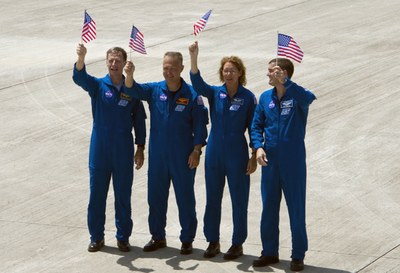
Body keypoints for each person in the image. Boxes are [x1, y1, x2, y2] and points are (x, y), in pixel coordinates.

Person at [123, 51, 208, 255]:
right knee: (156, 198)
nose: (168, 72)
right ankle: (157, 236)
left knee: (185, 198)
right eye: (165, 68)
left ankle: (187, 239)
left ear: (181, 68)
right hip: (159, 157)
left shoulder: (192, 96)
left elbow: (201, 127)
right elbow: (133, 89)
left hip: (183, 157)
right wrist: (129, 74)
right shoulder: (154, 90)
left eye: (172, 68)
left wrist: (197, 150)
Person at [72, 44, 147, 253]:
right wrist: (81, 57)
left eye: (118, 61)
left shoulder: (131, 90)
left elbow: (139, 121)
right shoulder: (98, 86)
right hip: (100, 150)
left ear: (124, 64)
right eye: (111, 60)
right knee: (97, 195)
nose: (114, 64)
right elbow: (80, 78)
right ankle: (96, 237)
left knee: (123, 195)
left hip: (123, 150)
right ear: (106, 63)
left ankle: (123, 237)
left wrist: (140, 147)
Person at [188, 41, 257, 260]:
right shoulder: (215, 93)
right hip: (215, 152)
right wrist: (193, 57)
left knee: (239, 199)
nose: (228, 73)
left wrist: (254, 155)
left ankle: (237, 243)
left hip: (237, 152)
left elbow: (254, 128)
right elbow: (197, 84)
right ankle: (213, 241)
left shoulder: (248, 98)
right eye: (225, 70)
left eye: (232, 70)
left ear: (240, 73)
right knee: (212, 198)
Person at [251, 58, 316, 271]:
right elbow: (256, 125)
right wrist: (258, 147)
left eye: (272, 71)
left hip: (293, 161)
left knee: (296, 208)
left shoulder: (297, 96)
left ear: (284, 73)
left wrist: (286, 83)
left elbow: (309, 98)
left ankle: (298, 255)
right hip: (270, 162)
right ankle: (269, 252)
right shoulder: (265, 98)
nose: (268, 75)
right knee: (268, 208)